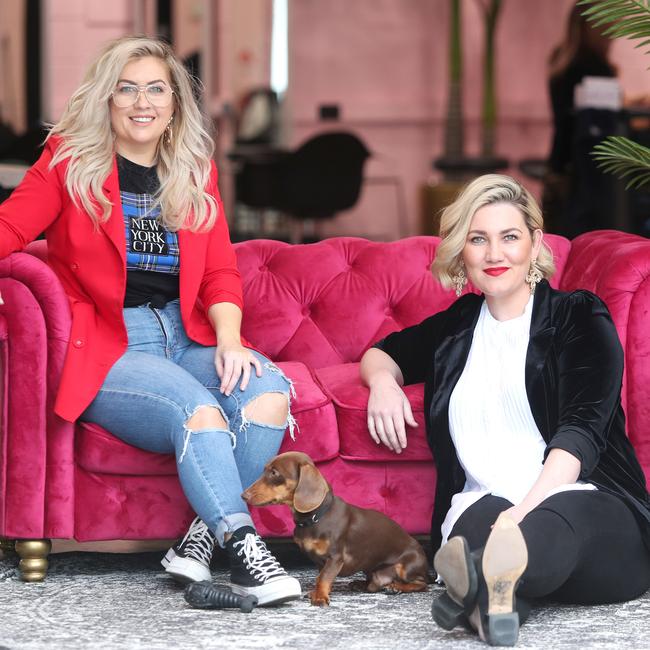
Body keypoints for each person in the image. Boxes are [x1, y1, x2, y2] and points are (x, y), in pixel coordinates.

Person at [0, 36, 301, 606]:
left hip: (186, 335)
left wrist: (231, 341)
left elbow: (219, 272)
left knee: (266, 392)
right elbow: (9, 230)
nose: (142, 101)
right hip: (108, 345)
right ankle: (244, 548)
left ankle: (197, 542)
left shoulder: (193, 170)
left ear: (173, 104)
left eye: (156, 88)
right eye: (127, 88)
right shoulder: (68, 163)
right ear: (107, 99)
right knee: (200, 411)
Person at [360, 174, 650, 646]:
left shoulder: (579, 315)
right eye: (479, 239)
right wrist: (382, 384)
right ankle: (493, 598)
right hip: (485, 504)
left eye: (509, 237)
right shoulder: (454, 329)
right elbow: (381, 352)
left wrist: (521, 516)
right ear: (463, 252)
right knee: (477, 522)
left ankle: (477, 581)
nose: (494, 254)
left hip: (582, 503)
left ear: (535, 244)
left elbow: (580, 435)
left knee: (544, 526)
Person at [544, 2, 617, 236]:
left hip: (560, 160)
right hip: (586, 167)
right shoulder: (595, 67)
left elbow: (563, 122)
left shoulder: (560, 61)